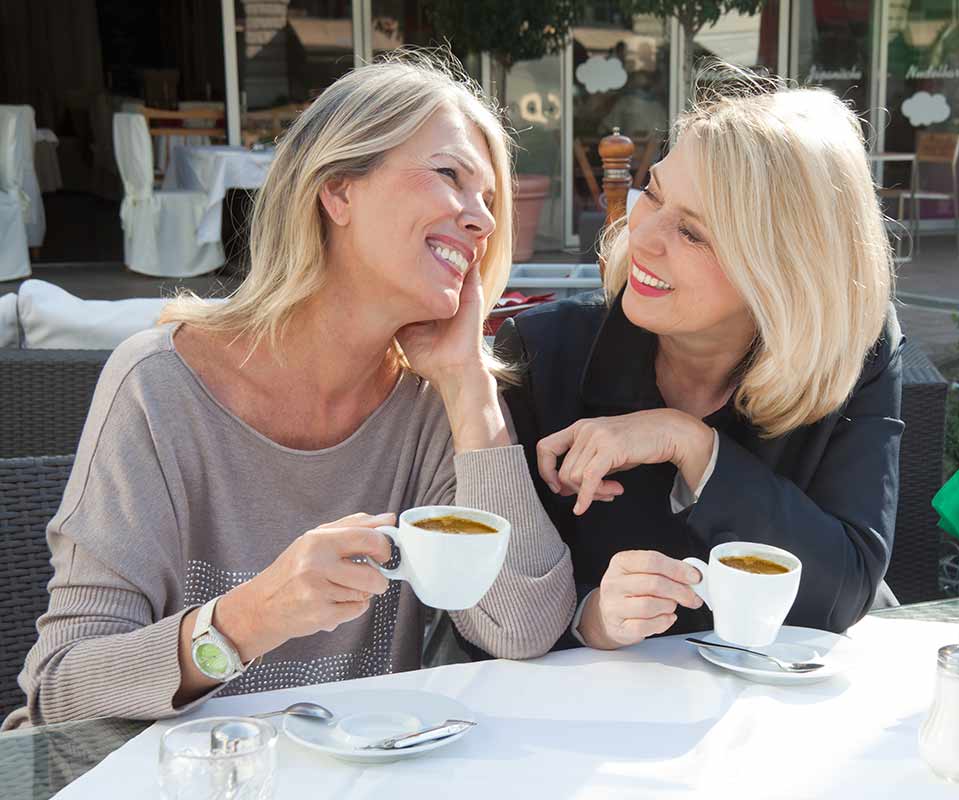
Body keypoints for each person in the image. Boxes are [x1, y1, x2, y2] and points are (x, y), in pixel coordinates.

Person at [3, 54, 575, 729]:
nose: (480, 220)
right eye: (450, 175)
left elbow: (523, 627)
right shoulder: (158, 389)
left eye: (488, 200)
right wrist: (252, 617)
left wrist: (469, 385)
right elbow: (61, 694)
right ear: (338, 192)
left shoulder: (436, 404)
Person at [494, 79, 900, 651]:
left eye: (692, 232)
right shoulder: (542, 354)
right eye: (654, 194)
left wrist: (692, 444)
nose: (643, 236)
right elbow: (487, 620)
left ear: (782, 275)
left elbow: (844, 592)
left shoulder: (855, 351)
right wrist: (591, 619)